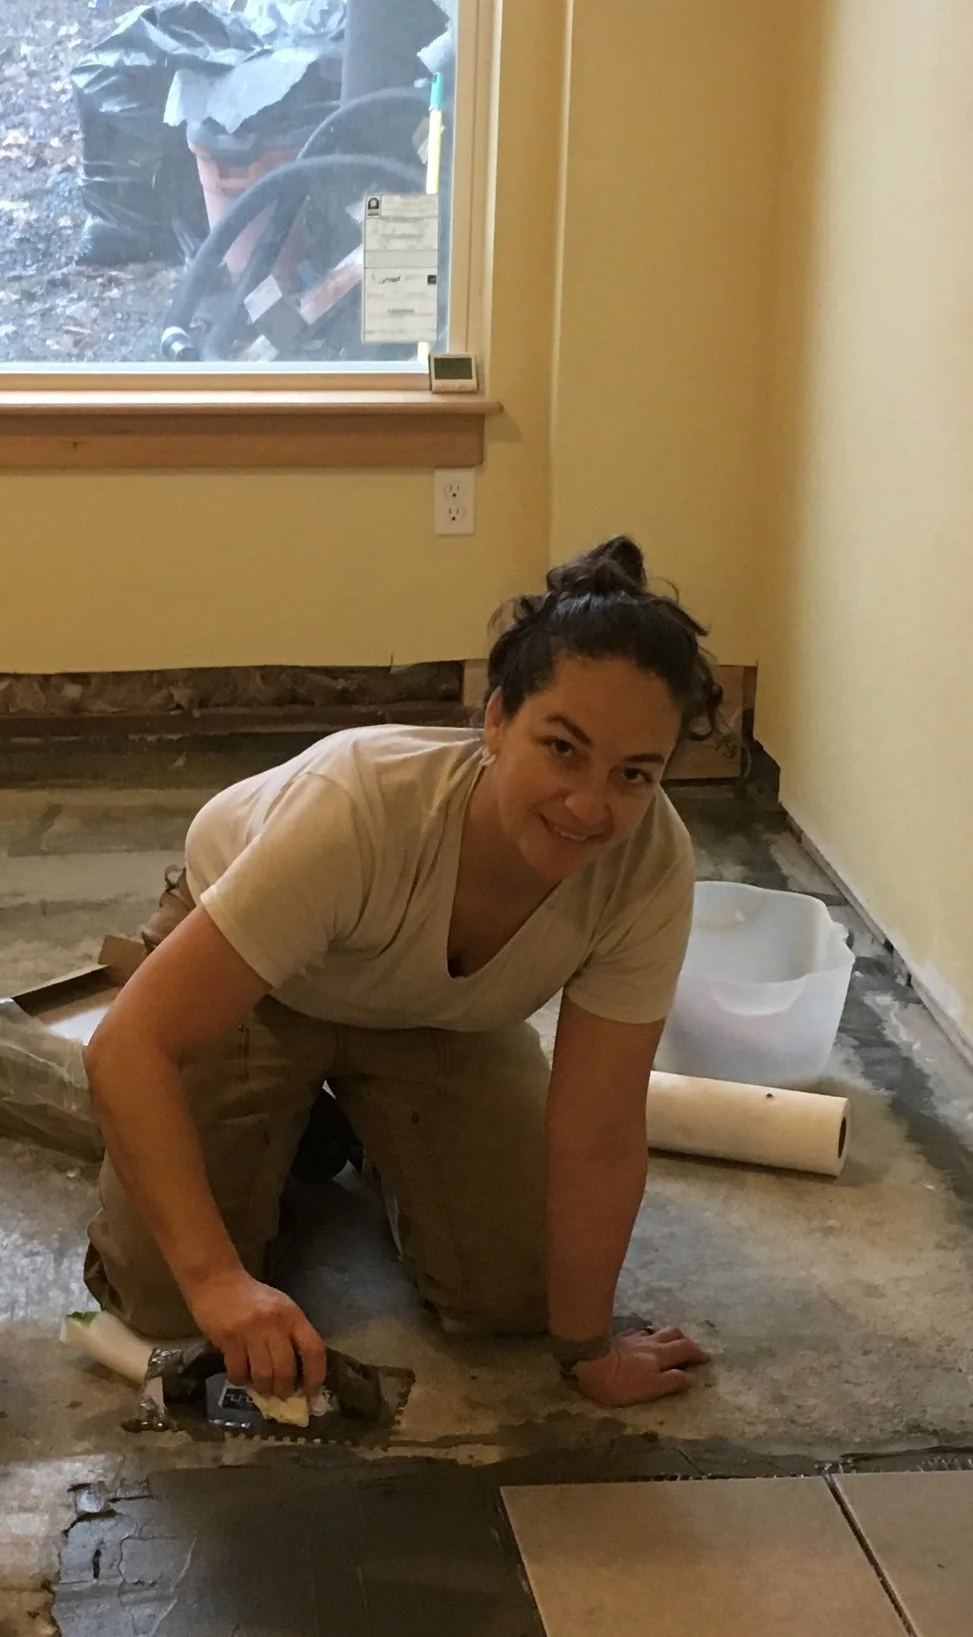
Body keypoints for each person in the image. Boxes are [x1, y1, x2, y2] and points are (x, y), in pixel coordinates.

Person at [83, 537, 718, 1409]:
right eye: (563, 748)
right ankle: (298, 1134)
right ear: (495, 721)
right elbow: (128, 1045)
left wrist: (586, 1351)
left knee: (521, 1296)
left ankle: (357, 1134)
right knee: (168, 1301)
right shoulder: (359, 809)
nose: (590, 804)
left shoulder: (647, 864)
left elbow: (600, 1128)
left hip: (440, 1018)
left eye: (634, 773)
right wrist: (219, 1281)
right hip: (262, 990)